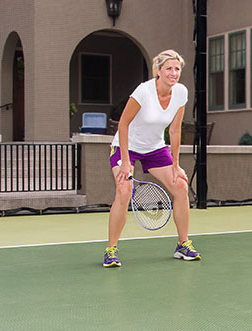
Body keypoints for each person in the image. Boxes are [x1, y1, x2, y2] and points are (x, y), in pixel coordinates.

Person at [103, 49, 201, 267]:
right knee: (124, 190)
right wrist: (126, 162)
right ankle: (111, 250)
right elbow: (123, 124)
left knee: (181, 186)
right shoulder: (143, 92)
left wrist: (175, 166)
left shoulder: (181, 93)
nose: (173, 73)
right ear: (158, 70)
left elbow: (175, 131)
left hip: (154, 147)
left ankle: (183, 244)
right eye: (168, 68)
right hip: (125, 145)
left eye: (177, 69)